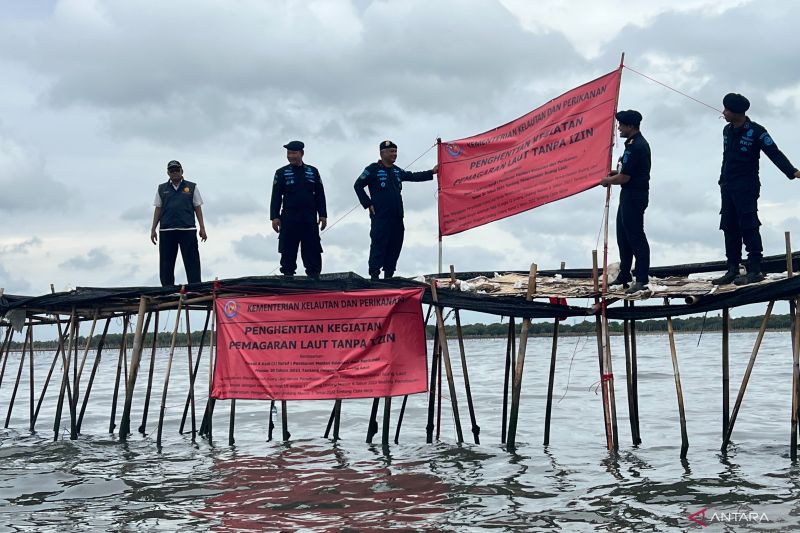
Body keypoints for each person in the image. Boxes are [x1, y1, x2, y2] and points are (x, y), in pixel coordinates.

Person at [712, 93, 800, 286]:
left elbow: (774, 153)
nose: (724, 112)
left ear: (737, 112)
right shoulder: (727, 130)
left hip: (746, 186)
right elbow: (726, 158)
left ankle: (755, 269)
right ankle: (733, 268)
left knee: (748, 225)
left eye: (726, 109)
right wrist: (722, 181)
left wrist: (792, 171)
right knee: (729, 225)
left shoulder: (757, 131)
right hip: (727, 185)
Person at [354, 140, 438, 280]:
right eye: (391, 151)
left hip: (397, 217)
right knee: (379, 245)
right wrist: (368, 203)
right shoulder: (372, 169)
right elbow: (357, 185)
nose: (394, 154)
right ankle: (375, 275)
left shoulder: (396, 170)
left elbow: (412, 176)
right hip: (380, 216)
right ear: (382, 153)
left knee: (395, 245)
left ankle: (389, 275)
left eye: (395, 151)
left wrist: (432, 172)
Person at [600, 110, 651, 294]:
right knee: (623, 235)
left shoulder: (638, 146)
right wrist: (614, 173)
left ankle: (642, 278)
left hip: (635, 195)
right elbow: (624, 171)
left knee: (635, 236)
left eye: (621, 125)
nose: (619, 128)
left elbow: (625, 178)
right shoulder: (630, 144)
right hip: (627, 194)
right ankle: (625, 274)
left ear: (630, 126)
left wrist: (608, 181)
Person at [270, 140, 327, 279]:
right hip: (289, 217)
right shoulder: (281, 172)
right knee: (288, 248)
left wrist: (323, 214)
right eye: (288, 153)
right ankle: (288, 276)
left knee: (312, 248)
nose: (290, 156)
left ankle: (314, 277)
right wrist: (274, 217)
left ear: (301, 153)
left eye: (293, 153)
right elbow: (276, 196)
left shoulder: (313, 171)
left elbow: (320, 194)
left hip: (309, 217)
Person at [150, 160, 207, 286]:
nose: (175, 172)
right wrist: (153, 229)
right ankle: (167, 289)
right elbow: (158, 208)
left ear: (182, 171)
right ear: (168, 173)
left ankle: (195, 288)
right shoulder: (162, 188)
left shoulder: (191, 187)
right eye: (172, 170)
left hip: (187, 229)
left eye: (177, 170)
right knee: (166, 263)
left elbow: (197, 207)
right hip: (167, 230)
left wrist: (202, 228)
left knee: (192, 261)